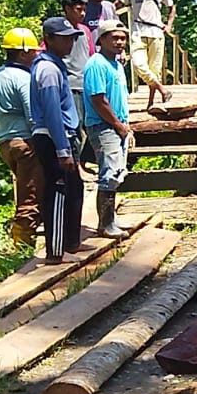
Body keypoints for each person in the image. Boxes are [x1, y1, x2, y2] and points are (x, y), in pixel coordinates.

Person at [30, 17, 86, 263]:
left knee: (74, 188)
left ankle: (70, 244)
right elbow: (52, 111)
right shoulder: (48, 70)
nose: (69, 42)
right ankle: (55, 252)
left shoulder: (56, 65)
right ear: (49, 39)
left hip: (61, 136)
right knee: (59, 192)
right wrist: (63, 149)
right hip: (54, 137)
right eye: (63, 37)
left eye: (71, 37)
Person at [0, 28, 44, 247]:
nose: (36, 55)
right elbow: (32, 114)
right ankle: (22, 247)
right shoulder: (23, 77)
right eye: (32, 52)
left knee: (24, 189)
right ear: (22, 53)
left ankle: (25, 237)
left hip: (5, 142)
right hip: (25, 142)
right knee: (31, 194)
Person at [82, 20, 133, 239]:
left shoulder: (117, 65)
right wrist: (117, 124)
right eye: (115, 38)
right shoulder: (97, 64)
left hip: (117, 125)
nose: (120, 42)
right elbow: (98, 99)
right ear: (101, 39)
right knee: (109, 173)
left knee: (117, 172)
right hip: (104, 126)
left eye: (123, 38)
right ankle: (105, 224)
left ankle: (110, 219)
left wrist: (126, 125)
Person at [116, 0, 174, 110]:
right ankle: (163, 89)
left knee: (155, 69)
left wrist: (169, 25)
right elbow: (118, 4)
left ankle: (152, 102)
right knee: (138, 64)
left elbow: (171, 6)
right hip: (137, 30)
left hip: (156, 30)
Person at [60, 0, 95, 166]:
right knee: (75, 125)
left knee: (91, 124)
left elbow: (90, 54)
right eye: (78, 9)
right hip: (70, 85)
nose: (82, 14)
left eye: (84, 10)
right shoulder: (59, 31)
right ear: (67, 9)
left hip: (87, 85)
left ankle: (85, 161)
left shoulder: (85, 30)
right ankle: (75, 164)